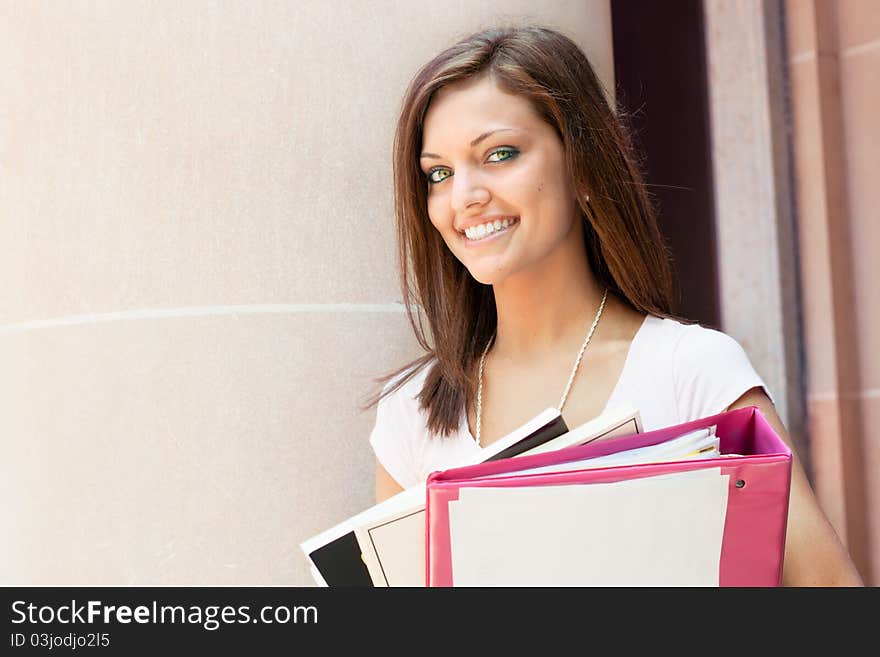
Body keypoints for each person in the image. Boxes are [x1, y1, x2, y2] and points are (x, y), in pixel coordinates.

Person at [366, 25, 863, 586]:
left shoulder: (690, 372)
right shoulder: (411, 414)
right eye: (439, 173)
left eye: (499, 154)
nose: (464, 197)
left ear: (582, 164)